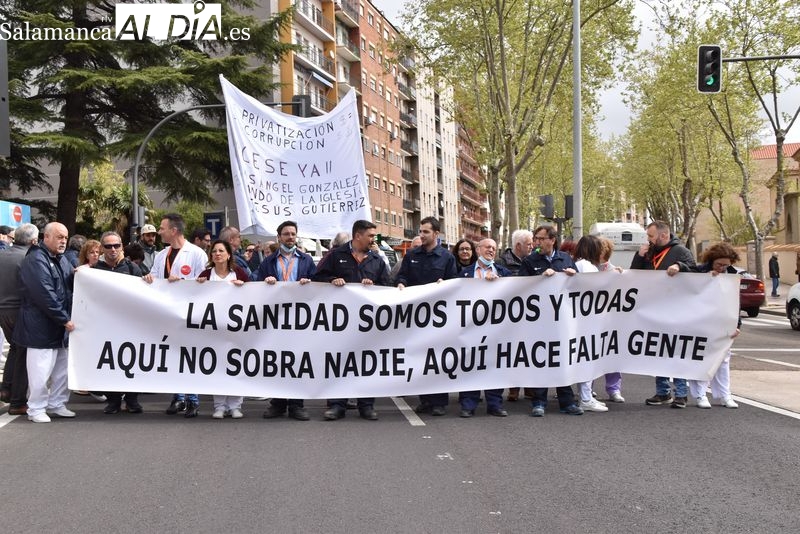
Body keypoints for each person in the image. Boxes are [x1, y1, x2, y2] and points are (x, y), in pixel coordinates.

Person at [313, 219, 390, 421]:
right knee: (339, 362)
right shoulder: (335, 256)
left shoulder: (376, 260)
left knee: (367, 363)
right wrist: (332, 280)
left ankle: (366, 405)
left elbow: (387, 286)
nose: (374, 239)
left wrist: (373, 286)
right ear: (358, 236)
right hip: (339, 324)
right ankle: (337, 405)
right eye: (371, 235)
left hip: (367, 325)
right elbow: (317, 278)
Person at [144, 213, 208, 418]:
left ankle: (193, 400)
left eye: (161, 229)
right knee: (173, 355)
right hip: (168, 312)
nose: (159, 232)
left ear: (173, 230)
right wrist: (148, 278)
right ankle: (179, 396)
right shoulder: (162, 255)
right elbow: (154, 276)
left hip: (191, 313)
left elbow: (206, 283)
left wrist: (182, 282)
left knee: (190, 357)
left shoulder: (197, 254)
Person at [396, 216, 459, 416]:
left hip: (439, 317)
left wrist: (445, 285)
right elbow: (402, 275)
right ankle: (424, 399)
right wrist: (401, 283)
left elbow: (455, 284)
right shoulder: (411, 255)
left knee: (437, 357)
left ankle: (439, 401)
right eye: (420, 231)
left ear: (436, 234)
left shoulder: (447, 257)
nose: (421, 235)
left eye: (425, 232)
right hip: (416, 316)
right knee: (419, 357)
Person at [254, 220, 316, 421]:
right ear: (279, 236)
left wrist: (310, 283)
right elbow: (255, 285)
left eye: (293, 234)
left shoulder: (306, 260)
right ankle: (278, 403)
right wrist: (265, 282)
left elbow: (319, 288)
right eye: (286, 234)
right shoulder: (269, 261)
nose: (290, 237)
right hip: (276, 319)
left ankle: (297, 404)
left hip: (300, 319)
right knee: (277, 361)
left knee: (298, 360)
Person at [14, 222, 76, 423]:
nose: (63, 241)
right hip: (40, 327)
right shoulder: (36, 259)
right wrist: (64, 318)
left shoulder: (62, 259)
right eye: (59, 237)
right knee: (40, 372)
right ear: (45, 237)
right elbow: (44, 294)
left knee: (61, 370)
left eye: (65, 237)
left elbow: (69, 283)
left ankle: (57, 403)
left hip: (59, 327)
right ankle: (36, 408)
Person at [518, 224, 583, 416]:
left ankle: (567, 402)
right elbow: (521, 287)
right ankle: (539, 402)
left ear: (552, 240)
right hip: (539, 319)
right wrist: (539, 278)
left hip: (562, 319)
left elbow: (579, 289)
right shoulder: (530, 261)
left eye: (540, 238)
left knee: (562, 358)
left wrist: (573, 276)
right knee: (541, 359)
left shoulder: (565, 259)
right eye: (535, 238)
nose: (536, 242)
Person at [666, 242, 740, 409]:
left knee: (723, 359)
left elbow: (736, 303)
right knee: (700, 357)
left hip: (723, 322)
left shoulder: (733, 276)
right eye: (719, 264)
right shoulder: (699, 271)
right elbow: (687, 274)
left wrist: (738, 324)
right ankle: (700, 394)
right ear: (711, 261)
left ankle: (724, 394)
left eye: (726, 265)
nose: (722, 268)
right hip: (701, 322)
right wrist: (705, 276)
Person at [630, 220, 696, 409]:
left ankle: (681, 393)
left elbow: (696, 272)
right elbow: (634, 276)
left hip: (676, 310)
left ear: (664, 235)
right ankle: (662, 391)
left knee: (676, 351)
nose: (648, 240)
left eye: (651, 236)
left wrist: (680, 267)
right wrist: (639, 256)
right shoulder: (649, 252)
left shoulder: (680, 252)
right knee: (658, 351)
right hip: (654, 309)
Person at [457, 238, 510, 418]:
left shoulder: (503, 273)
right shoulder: (464, 274)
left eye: (494, 248)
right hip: (471, 328)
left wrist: (499, 283)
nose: (491, 250)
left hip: (496, 328)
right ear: (478, 250)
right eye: (488, 247)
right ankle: (468, 405)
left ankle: (495, 404)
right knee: (470, 365)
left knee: (495, 365)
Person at [196, 239, 249, 419]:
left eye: (221, 251)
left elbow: (254, 295)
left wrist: (244, 287)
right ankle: (219, 405)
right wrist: (198, 284)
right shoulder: (205, 274)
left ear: (228, 254)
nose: (217, 254)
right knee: (217, 367)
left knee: (235, 365)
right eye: (214, 251)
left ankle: (235, 405)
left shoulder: (239, 272)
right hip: (213, 328)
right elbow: (193, 296)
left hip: (236, 328)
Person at [93, 231, 145, 414]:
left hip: (130, 326)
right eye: (108, 246)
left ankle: (132, 400)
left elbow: (146, 293)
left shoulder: (132, 268)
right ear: (101, 248)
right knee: (109, 364)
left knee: (132, 363)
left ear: (122, 246)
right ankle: (113, 401)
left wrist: (148, 280)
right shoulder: (94, 270)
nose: (113, 249)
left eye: (116, 245)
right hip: (105, 326)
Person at [0, 223, 39, 415]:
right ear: (34, 240)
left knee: (15, 350)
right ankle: (17, 402)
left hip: (3, 310)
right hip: (20, 310)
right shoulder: (29, 257)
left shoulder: (3, 253)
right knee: (23, 352)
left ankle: (6, 389)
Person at [571, 235, 610, 412]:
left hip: (582, 318)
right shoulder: (586, 266)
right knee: (587, 358)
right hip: (586, 320)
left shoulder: (581, 264)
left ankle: (585, 396)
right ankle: (586, 398)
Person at [598, 237, 625, 403]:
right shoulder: (586, 268)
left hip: (610, 320)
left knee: (612, 353)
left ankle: (614, 389)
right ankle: (587, 389)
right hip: (590, 320)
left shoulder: (614, 270)